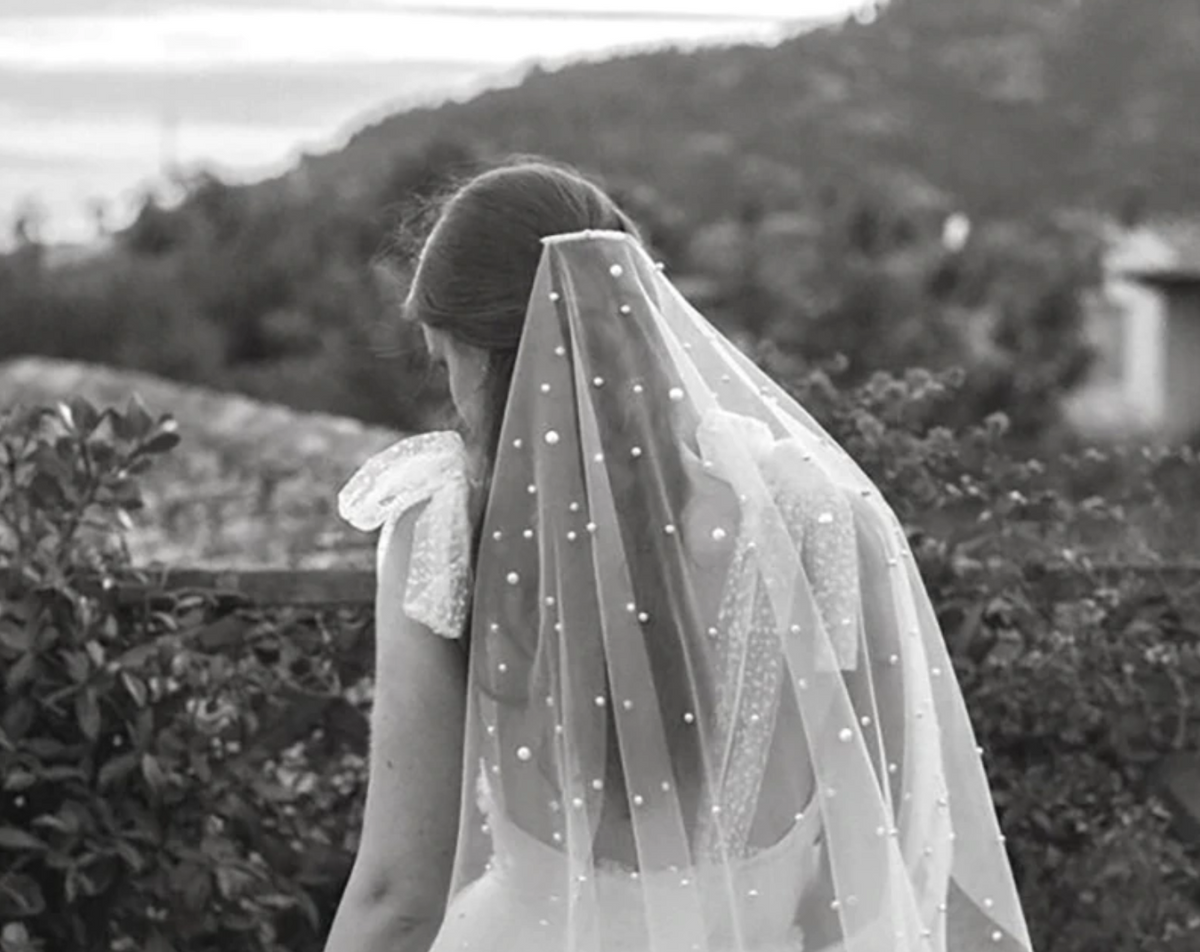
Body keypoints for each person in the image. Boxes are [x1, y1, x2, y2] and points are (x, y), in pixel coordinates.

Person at [325, 159, 1034, 952]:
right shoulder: (820, 527)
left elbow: (399, 897)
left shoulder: (445, 529)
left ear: (488, 362)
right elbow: (877, 870)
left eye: (445, 360)